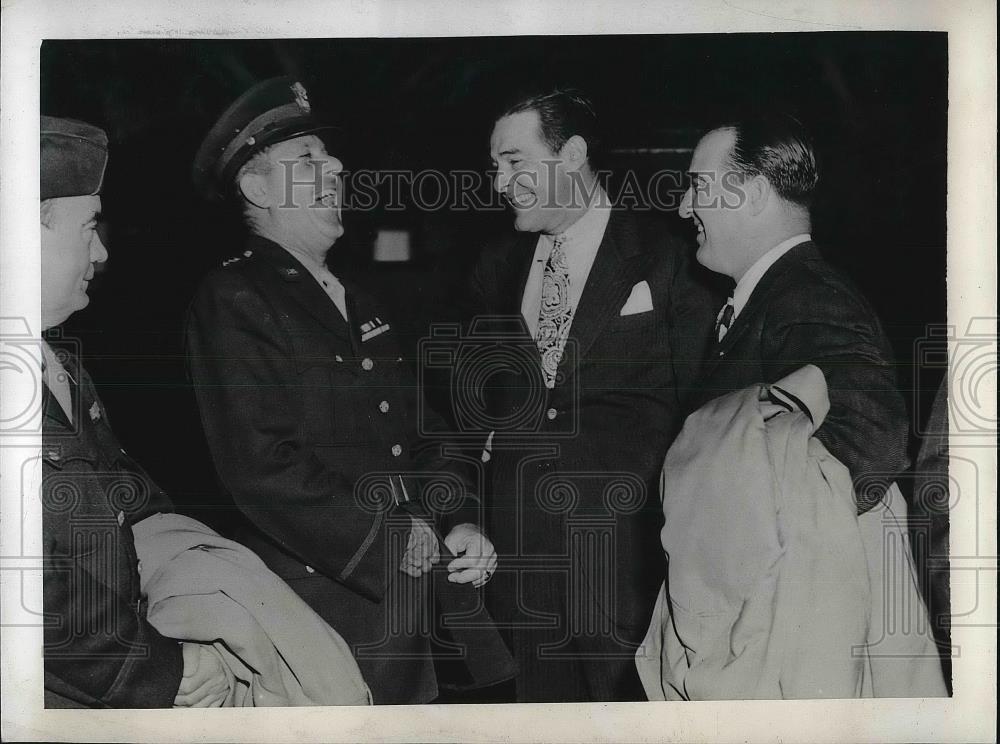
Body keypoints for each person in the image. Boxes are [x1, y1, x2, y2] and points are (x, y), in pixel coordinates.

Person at [186, 76, 511, 704]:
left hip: (413, 608)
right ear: (257, 189)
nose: (334, 165)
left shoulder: (356, 298)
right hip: (327, 612)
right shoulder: (234, 299)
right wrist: (388, 537)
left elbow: (426, 434)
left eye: (328, 156)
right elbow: (261, 465)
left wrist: (458, 518)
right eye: (307, 159)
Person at [464, 88, 719, 702]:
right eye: (496, 166)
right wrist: (467, 514)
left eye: (515, 162)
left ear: (572, 153)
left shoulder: (674, 258)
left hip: (631, 576)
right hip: (520, 583)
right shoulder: (493, 269)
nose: (500, 183)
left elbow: (708, 417)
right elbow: (468, 417)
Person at [40, 115, 230, 708]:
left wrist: (207, 566)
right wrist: (160, 670)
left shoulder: (56, 359)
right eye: (88, 228)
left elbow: (126, 492)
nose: (101, 250)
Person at [678, 114, 909, 510]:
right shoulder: (782, 294)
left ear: (753, 195)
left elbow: (870, 446)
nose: (684, 208)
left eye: (698, 186)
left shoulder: (811, 300)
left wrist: (740, 530)